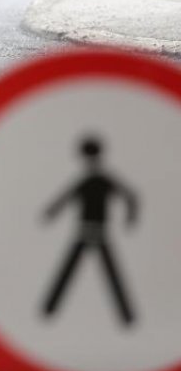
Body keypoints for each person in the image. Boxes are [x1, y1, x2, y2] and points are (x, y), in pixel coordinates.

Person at [41, 137, 139, 326]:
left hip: (96, 230)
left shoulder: (101, 180)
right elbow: (66, 197)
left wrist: (131, 218)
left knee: (102, 271)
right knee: (76, 270)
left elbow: (130, 196)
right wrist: (51, 212)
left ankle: (127, 317)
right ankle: (49, 310)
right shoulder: (91, 180)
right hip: (87, 230)